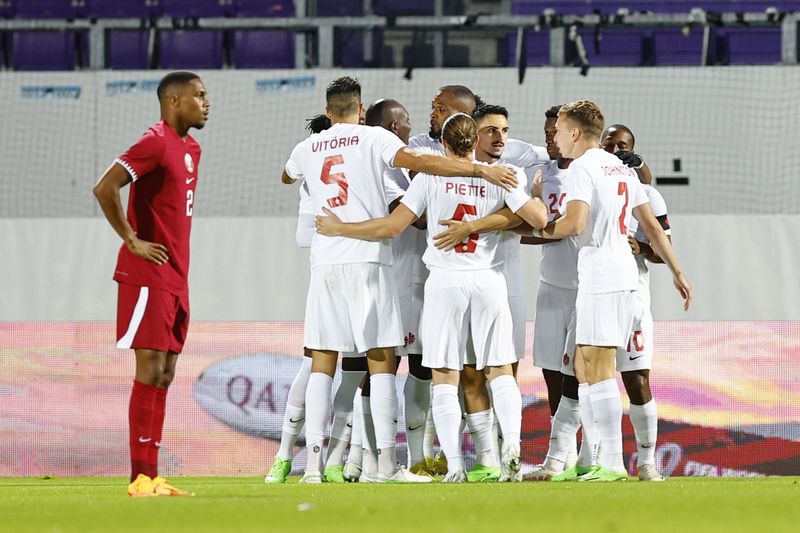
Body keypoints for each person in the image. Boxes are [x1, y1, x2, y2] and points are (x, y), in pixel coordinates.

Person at [282, 77, 517, 484]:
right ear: (359, 110)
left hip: (324, 262)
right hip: (371, 262)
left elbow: (287, 177)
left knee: (322, 363)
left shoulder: (305, 148)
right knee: (383, 364)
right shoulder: (374, 139)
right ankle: (390, 465)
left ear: (327, 110)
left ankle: (314, 469)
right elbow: (422, 165)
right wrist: (480, 169)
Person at [315, 113, 548, 482]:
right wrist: (497, 212)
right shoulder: (501, 175)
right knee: (501, 371)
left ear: (443, 144)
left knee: (444, 376)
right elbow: (538, 218)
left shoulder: (429, 177)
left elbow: (393, 227)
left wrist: (339, 227)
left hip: (444, 282)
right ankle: (512, 450)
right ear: (475, 142)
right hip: (488, 279)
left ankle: (455, 465)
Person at [530, 100, 692, 482]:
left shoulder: (583, 168)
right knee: (585, 368)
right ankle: (590, 461)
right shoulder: (620, 167)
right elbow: (650, 224)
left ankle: (613, 464)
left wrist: (535, 224)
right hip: (622, 276)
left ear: (573, 133)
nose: (554, 137)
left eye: (557, 131)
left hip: (601, 276)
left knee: (598, 371)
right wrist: (678, 270)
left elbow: (574, 224)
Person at [92, 71, 209, 497]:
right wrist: (131, 239)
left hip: (177, 277)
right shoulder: (155, 141)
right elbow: (105, 187)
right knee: (149, 369)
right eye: (198, 96)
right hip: (147, 275)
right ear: (174, 101)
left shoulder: (191, 148)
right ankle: (138, 477)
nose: (206, 102)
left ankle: (152, 475)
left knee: (166, 373)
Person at [266, 115, 367, 485]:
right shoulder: (314, 182)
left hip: (358, 278)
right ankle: (283, 457)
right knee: (313, 369)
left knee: (355, 373)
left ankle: (336, 462)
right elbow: (303, 237)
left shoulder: (358, 177)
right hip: (328, 279)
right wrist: (343, 233)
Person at [602, 124, 672, 482]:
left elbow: (663, 249)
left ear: (633, 151)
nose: (615, 149)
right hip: (592, 296)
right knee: (586, 381)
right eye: (609, 143)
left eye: (623, 145)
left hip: (633, 299)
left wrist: (640, 247)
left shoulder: (648, 195)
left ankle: (646, 461)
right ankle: (594, 459)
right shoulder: (588, 185)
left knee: (637, 379)